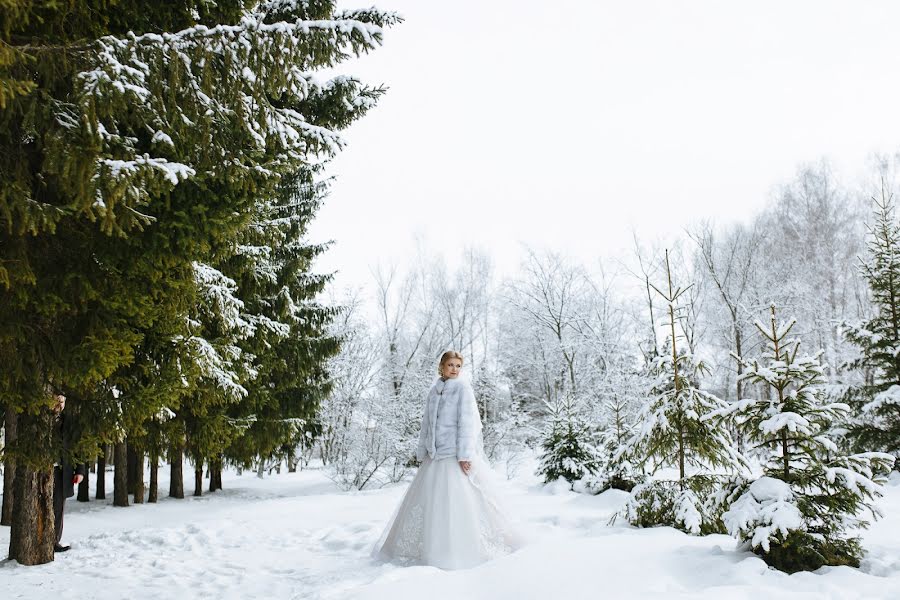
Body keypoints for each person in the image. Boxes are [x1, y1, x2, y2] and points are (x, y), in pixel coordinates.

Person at [372, 351, 525, 570]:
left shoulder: (462, 390)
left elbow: (467, 424)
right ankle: (427, 548)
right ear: (441, 366)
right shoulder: (434, 392)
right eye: (450, 365)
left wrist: (464, 454)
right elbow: (426, 424)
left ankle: (460, 549)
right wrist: (423, 449)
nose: (454, 369)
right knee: (430, 503)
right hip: (434, 456)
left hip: (454, 455)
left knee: (461, 501)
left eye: (458, 365)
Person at [52, 391, 85, 553]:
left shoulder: (70, 422)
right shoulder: (39, 420)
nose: (59, 404)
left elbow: (78, 448)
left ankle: (54, 542)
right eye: (57, 401)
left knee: (58, 507)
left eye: (62, 402)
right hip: (41, 470)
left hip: (61, 471)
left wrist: (80, 470)